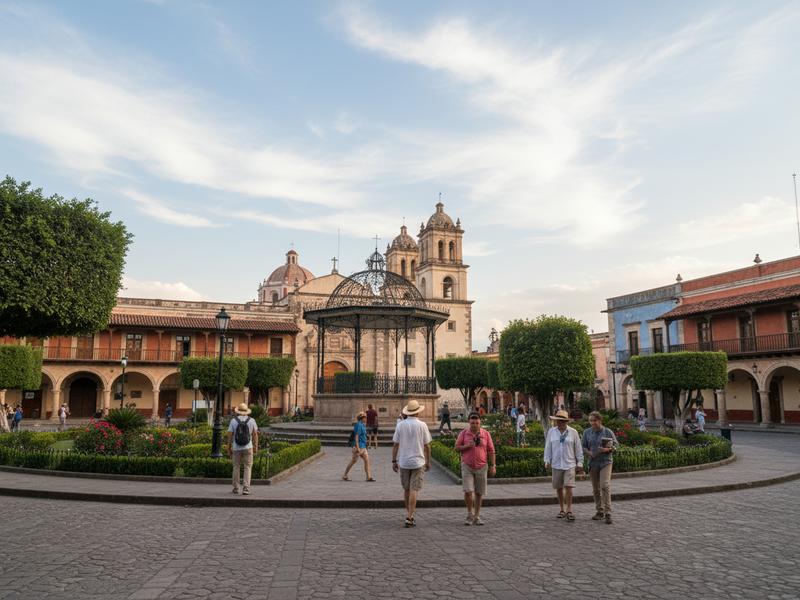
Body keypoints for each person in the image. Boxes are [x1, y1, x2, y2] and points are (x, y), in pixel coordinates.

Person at [392, 400, 432, 528]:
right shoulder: (422, 425)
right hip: (418, 461)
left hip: (403, 461)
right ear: (418, 412)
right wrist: (428, 461)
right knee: (414, 489)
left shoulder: (400, 425)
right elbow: (427, 446)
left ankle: (409, 514)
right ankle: (410, 516)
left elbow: (395, 445)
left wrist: (394, 460)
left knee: (407, 489)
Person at [455, 412, 496, 525]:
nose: (474, 425)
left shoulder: (486, 434)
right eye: (472, 423)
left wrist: (493, 465)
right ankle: (469, 514)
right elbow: (456, 448)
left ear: (480, 422)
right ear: (469, 422)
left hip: (482, 466)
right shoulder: (463, 434)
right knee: (468, 491)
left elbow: (491, 451)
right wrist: (467, 446)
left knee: (479, 493)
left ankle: (477, 516)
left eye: (477, 423)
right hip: (467, 466)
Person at [544, 409, 584, 522]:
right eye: (557, 420)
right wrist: (547, 460)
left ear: (566, 421)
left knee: (569, 487)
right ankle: (561, 509)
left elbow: (578, 449)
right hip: (556, 464)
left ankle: (569, 509)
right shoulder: (551, 432)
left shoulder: (573, 432)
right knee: (559, 487)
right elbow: (548, 447)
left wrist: (580, 462)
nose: (559, 423)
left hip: (569, 463)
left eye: (562, 421)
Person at [582, 411, 619, 525]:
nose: (592, 423)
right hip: (593, 463)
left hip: (605, 462)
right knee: (596, 489)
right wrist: (588, 452)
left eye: (594, 420)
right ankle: (599, 511)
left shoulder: (607, 431)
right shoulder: (587, 432)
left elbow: (616, 445)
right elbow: (583, 446)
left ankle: (608, 512)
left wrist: (608, 449)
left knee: (605, 485)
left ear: (600, 420)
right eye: (590, 421)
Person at [227, 402, 259, 495]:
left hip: (236, 448)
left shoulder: (233, 421)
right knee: (247, 467)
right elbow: (255, 434)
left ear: (238, 411)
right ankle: (246, 488)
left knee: (236, 467)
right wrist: (255, 447)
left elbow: (229, 435)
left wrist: (228, 447)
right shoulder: (252, 420)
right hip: (248, 447)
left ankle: (236, 488)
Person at [343, 412, 375, 481]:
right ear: (362, 418)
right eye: (365, 417)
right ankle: (345, 475)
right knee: (354, 461)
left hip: (363, 446)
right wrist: (357, 448)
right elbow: (356, 437)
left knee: (366, 460)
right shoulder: (358, 425)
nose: (366, 419)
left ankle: (368, 477)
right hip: (359, 446)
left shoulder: (363, 425)